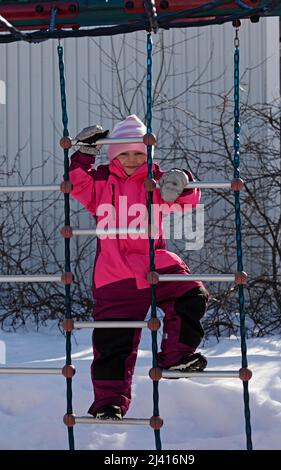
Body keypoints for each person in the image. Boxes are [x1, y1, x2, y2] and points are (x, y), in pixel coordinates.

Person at [69, 115, 209, 421]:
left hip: (153, 267)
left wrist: (181, 181)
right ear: (113, 155)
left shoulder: (155, 182)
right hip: (114, 275)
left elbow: (185, 200)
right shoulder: (102, 182)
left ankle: (175, 357)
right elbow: (77, 182)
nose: (132, 159)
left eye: (138, 154)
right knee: (112, 343)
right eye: (124, 153)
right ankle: (109, 403)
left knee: (192, 294)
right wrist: (83, 153)